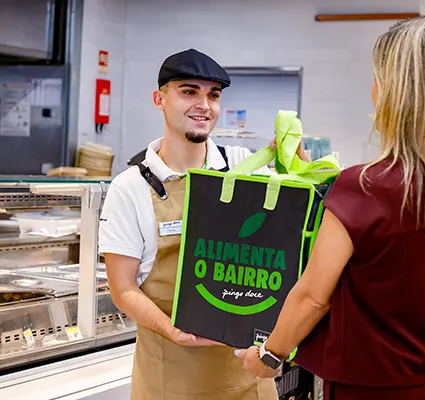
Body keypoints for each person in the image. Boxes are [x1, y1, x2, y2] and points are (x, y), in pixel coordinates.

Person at [235, 16, 425, 400]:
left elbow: (312, 297)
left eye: (378, 77)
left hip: (372, 386)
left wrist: (270, 355)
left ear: (398, 92)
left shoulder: (365, 187)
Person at [99, 48, 289, 399]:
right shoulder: (130, 188)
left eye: (213, 95)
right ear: (160, 98)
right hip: (171, 375)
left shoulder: (244, 168)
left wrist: (296, 168)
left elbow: (286, 241)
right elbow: (123, 290)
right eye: (189, 92)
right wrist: (174, 331)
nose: (204, 104)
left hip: (248, 378)